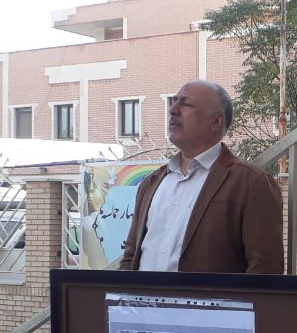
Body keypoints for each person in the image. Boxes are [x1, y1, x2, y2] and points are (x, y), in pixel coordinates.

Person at [120, 80, 284, 274]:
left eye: (186, 104)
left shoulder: (251, 183)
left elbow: (265, 271)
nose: (172, 109)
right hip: (141, 295)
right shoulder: (151, 182)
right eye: (174, 102)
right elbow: (130, 256)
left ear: (216, 122)